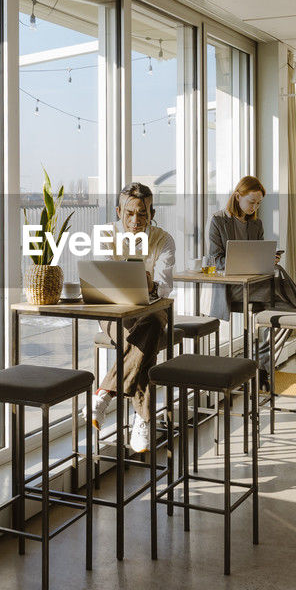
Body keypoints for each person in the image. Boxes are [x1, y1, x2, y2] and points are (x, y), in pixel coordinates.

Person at [206, 175, 296, 384]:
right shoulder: (218, 220)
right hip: (233, 288)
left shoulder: (256, 224)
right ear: (237, 196)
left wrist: (268, 258)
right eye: (251, 202)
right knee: (280, 280)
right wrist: (240, 261)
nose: (254, 207)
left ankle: (262, 369)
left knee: (283, 307)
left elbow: (258, 256)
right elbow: (215, 260)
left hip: (259, 287)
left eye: (258, 203)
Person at [82, 181, 175, 453]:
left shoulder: (164, 239)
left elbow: (165, 286)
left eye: (143, 213)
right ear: (118, 211)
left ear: (152, 212)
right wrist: (135, 280)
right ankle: (143, 418)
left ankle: (105, 392)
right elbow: (100, 278)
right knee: (145, 343)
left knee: (152, 323)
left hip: (151, 312)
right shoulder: (106, 235)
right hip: (113, 312)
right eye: (130, 213)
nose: (136, 220)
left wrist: (150, 285)